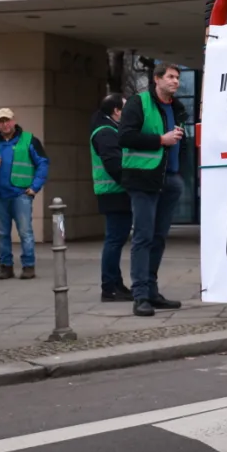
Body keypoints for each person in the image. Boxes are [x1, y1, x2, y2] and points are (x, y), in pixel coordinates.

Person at [119, 63, 188, 317]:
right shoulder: (139, 103)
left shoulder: (177, 108)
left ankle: (152, 291)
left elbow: (181, 142)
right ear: (157, 79)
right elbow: (125, 137)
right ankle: (140, 296)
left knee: (158, 238)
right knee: (143, 237)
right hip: (143, 179)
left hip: (170, 179)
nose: (176, 82)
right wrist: (161, 140)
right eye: (170, 77)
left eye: (178, 78)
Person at [0, 107, 49, 280]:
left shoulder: (29, 140)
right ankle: (6, 266)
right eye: (1, 121)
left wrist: (35, 187)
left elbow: (43, 163)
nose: (5, 124)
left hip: (21, 194)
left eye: (7, 120)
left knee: (25, 232)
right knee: (2, 233)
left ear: (14, 121)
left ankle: (28, 266)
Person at [90, 93, 133, 302]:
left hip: (114, 192)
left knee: (115, 240)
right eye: (125, 108)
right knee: (114, 241)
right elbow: (114, 164)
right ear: (116, 110)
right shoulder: (106, 132)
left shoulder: (109, 129)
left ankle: (116, 284)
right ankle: (109, 287)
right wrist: (132, 183)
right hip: (114, 193)